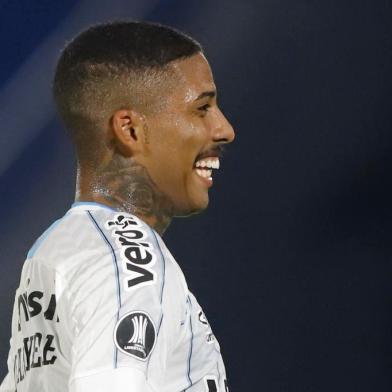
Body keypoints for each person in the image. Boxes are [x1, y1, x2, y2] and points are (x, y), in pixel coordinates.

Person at [0, 21, 235, 392]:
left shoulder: (56, 249)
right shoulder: (129, 260)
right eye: (202, 108)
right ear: (130, 130)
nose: (224, 129)